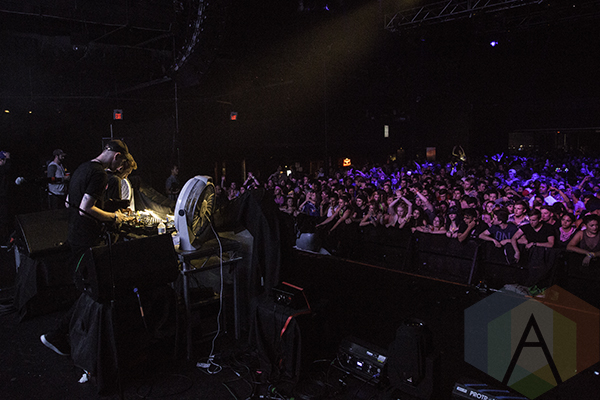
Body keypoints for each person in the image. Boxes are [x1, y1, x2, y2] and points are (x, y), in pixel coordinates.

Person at [40, 140, 130, 357]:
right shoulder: (100, 174)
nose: (118, 168)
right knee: (93, 291)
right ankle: (58, 334)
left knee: (88, 288)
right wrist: (114, 217)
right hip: (86, 239)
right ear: (117, 156)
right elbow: (85, 209)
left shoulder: (82, 168)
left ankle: (72, 335)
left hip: (74, 235)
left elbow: (68, 202)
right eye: (120, 163)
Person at [0, 151, 11, 241]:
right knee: (3, 218)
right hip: (1, 196)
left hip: (3, 196)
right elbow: (7, 168)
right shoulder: (1, 169)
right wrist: (8, 158)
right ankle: (3, 238)